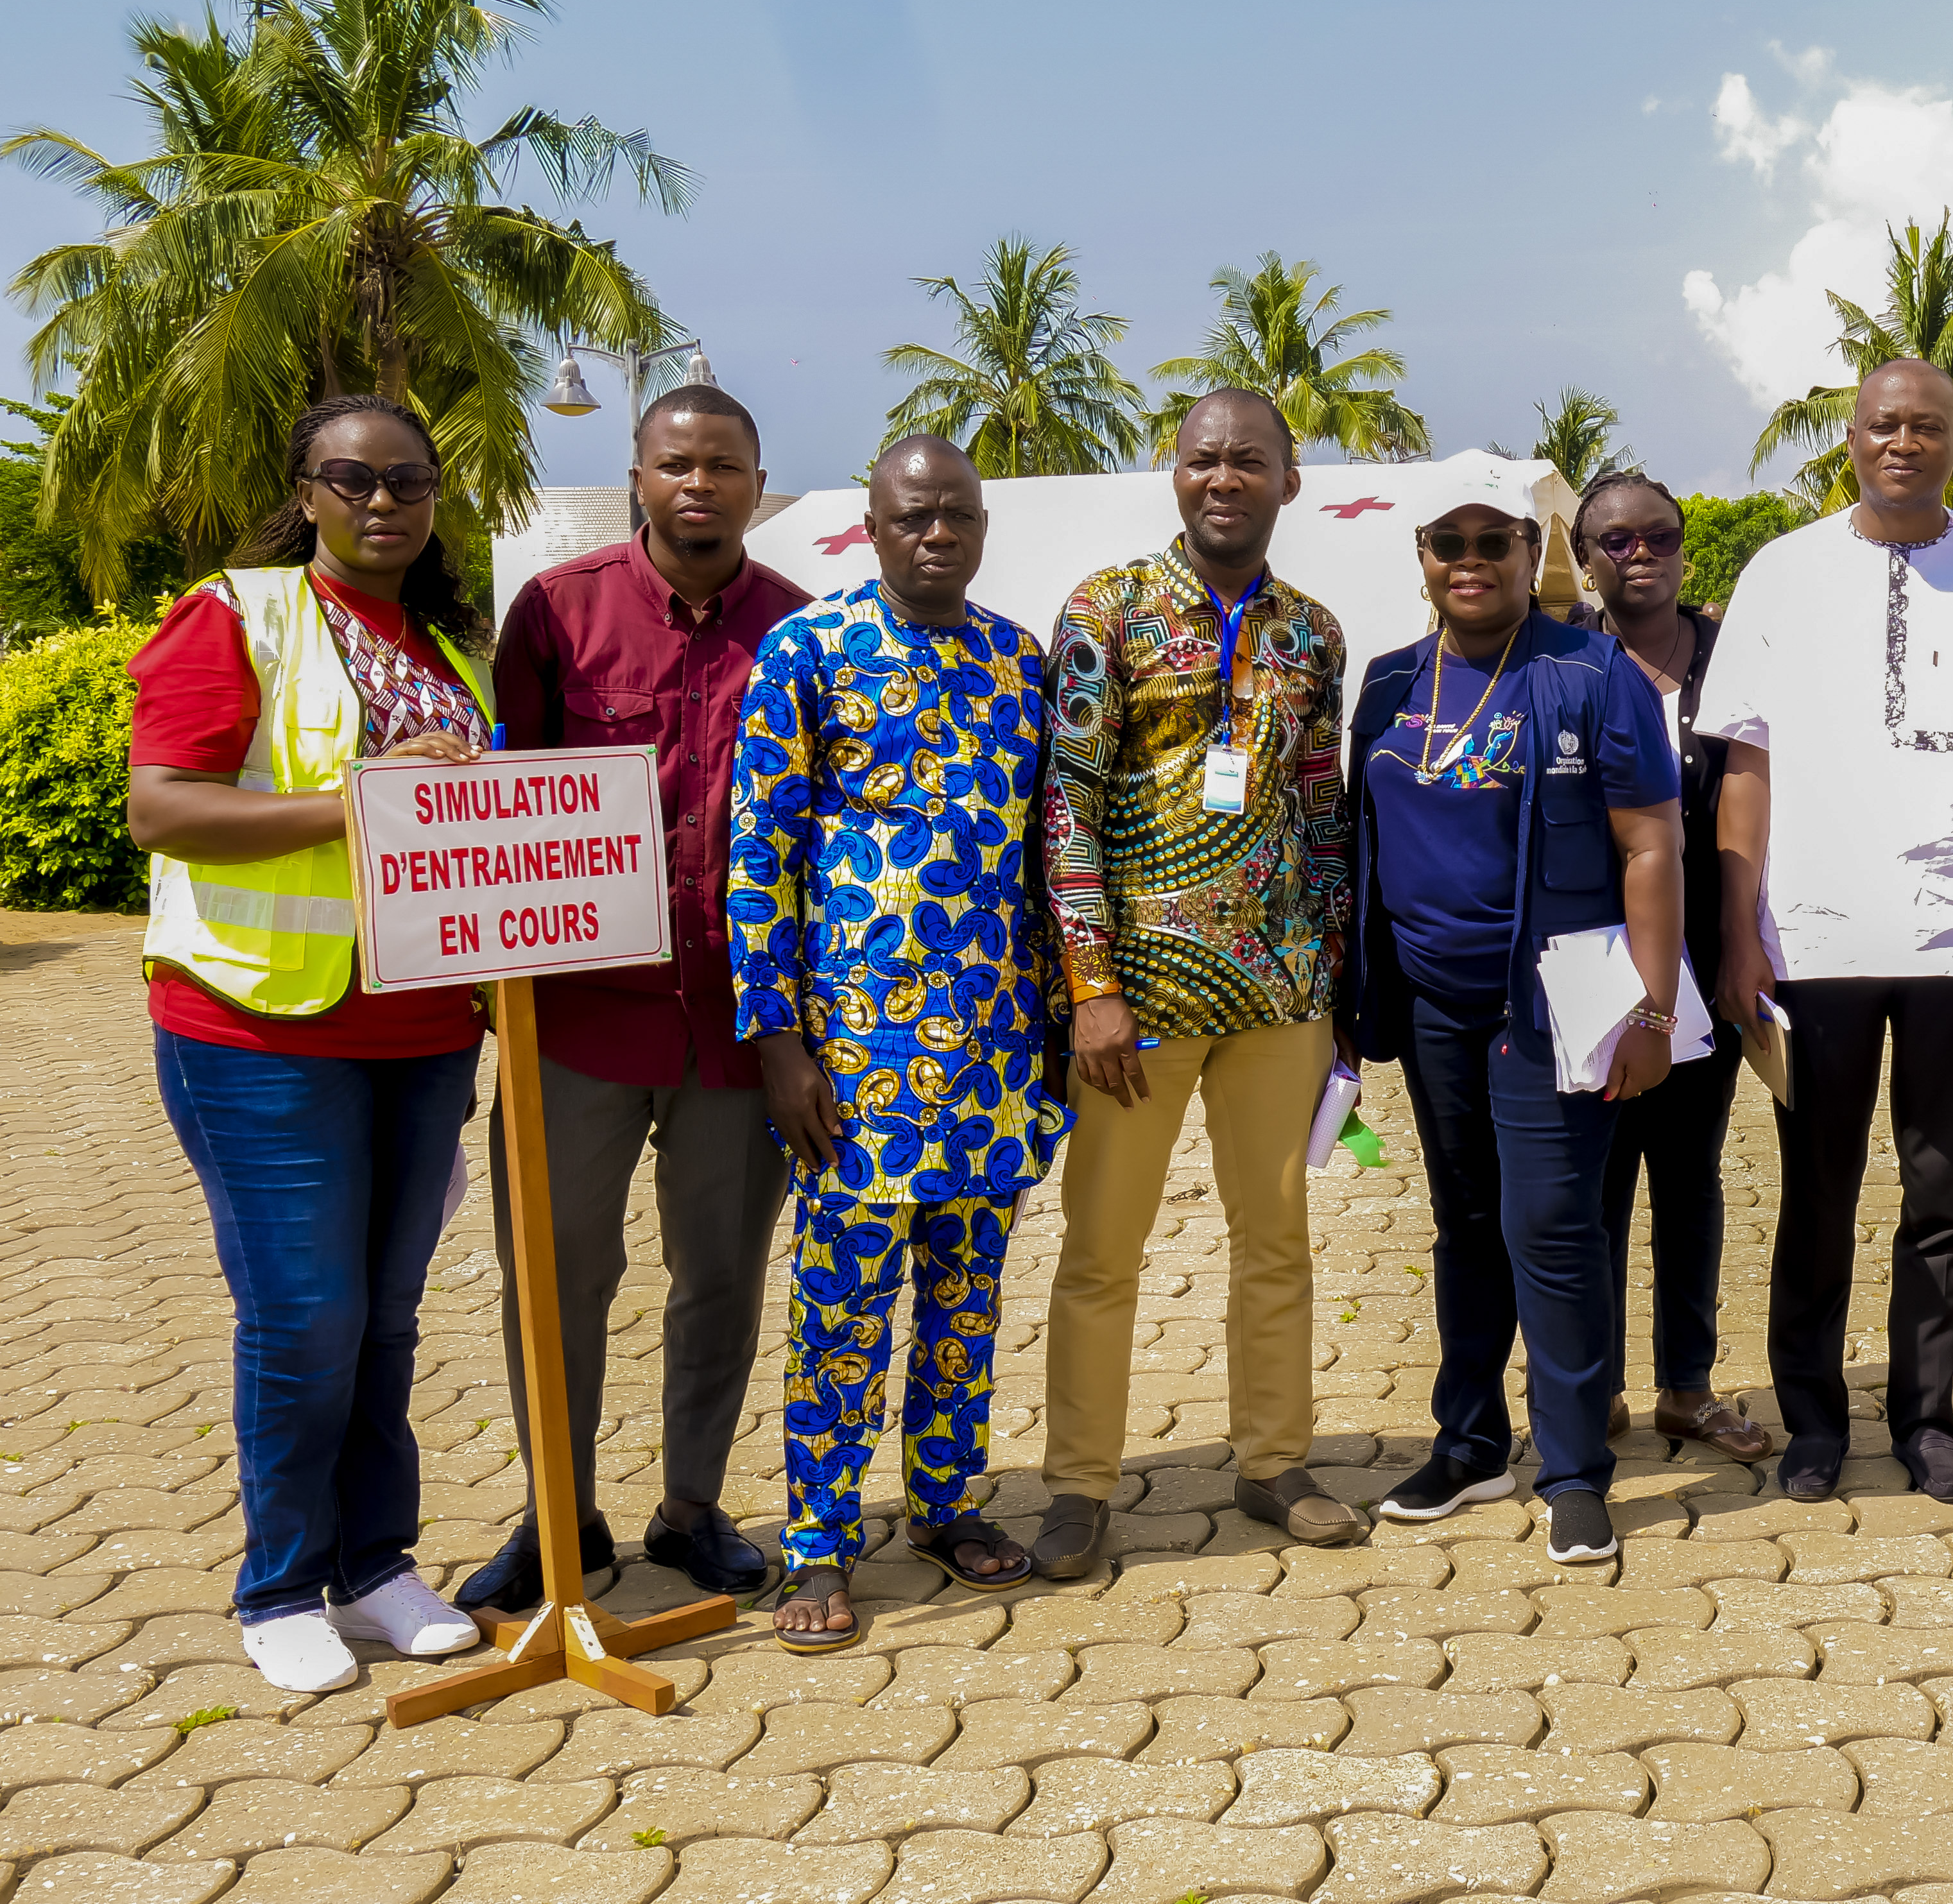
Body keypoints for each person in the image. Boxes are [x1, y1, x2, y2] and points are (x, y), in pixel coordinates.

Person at [124, 395, 495, 1693]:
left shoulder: (449, 650)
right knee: (304, 1317)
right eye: (353, 478)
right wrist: (349, 809)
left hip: (424, 1031)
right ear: (308, 490)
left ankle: (377, 1566)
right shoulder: (242, 616)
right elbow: (160, 809)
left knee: (384, 1319)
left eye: (407, 480)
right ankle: (281, 1583)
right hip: (256, 1027)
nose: (383, 501)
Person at [1698, 358, 1953, 1506]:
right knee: (1816, 1189)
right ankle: (1812, 1423)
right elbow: (1745, 767)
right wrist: (1739, 931)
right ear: (1849, 442)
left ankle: (1926, 1418)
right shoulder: (1782, 573)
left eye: (1927, 427)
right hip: (1814, 939)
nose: (1902, 443)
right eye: (1882, 426)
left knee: (1940, 1189)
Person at [458, 384, 804, 1614]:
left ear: (759, 481)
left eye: (724, 464)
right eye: (675, 464)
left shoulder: (805, 631)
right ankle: (564, 1519)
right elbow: (500, 809)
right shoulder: (558, 613)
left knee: (720, 1274)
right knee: (558, 1277)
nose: (698, 484)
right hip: (581, 1023)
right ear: (638, 477)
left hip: (736, 1026)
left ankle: (692, 1510)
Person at [728, 435, 1068, 1650]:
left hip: (992, 1053)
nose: (937, 533)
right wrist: (777, 1041)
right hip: (857, 1063)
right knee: (842, 1311)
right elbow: (757, 853)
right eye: (913, 515)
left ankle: (944, 1506)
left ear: (982, 528)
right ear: (870, 529)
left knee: (968, 1305)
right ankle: (816, 1546)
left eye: (958, 516)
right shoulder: (809, 653)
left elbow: (1042, 860)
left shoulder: (1018, 660)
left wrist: (1062, 1030)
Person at [1341, 467, 1686, 1564]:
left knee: (1553, 1227)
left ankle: (1576, 1465)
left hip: (1557, 1005)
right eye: (1452, 542)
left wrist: (1652, 1007)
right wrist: (1356, 1003)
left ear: (1531, 552)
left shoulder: (1588, 674)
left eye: (1497, 540)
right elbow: (1358, 845)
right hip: (1433, 1004)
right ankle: (1471, 1440)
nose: (1474, 560)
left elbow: (1650, 843)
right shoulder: (1393, 685)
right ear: (1425, 558)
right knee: (1469, 1226)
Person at [1039, 389, 1357, 1571]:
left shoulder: (1314, 633)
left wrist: (1338, 987)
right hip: (1138, 1003)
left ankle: (1275, 1465)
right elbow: (1063, 805)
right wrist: (1092, 989)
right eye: (1202, 461)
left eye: (1249, 462)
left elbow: (1321, 813)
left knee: (1275, 1242)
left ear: (1290, 482)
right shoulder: (1107, 611)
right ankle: (1079, 1486)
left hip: (1281, 995)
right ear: (1174, 476)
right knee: (1101, 1251)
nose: (1223, 479)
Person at [1572, 469, 1768, 1464]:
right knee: (1597, 1181)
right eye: (1614, 541)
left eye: (1657, 536)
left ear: (1685, 549)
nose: (1637, 554)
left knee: (1688, 1174)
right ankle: (1592, 1387)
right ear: (1583, 558)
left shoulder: (1731, 657)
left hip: (1705, 958)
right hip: (1595, 965)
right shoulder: (1561, 657)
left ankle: (1686, 1390)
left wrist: (1743, 951)